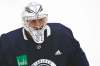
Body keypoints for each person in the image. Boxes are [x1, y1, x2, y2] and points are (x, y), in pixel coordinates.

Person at [0, 2, 89, 66]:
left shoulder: (63, 34)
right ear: (25, 22)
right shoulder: (8, 43)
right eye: (33, 21)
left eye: (41, 20)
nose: (38, 25)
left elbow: (79, 61)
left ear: (46, 19)